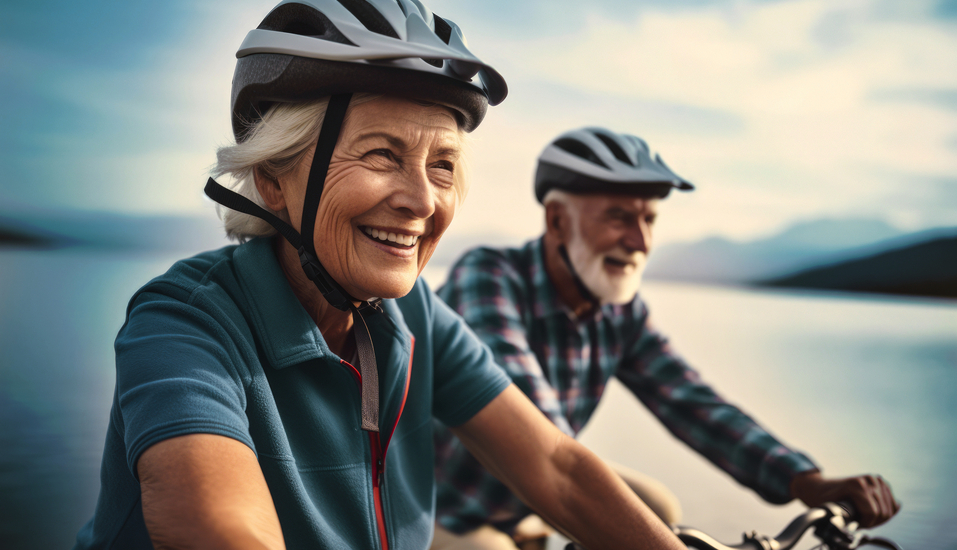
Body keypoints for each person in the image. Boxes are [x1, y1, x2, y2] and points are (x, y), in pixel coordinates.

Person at [72, 4, 690, 550]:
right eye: (381, 155)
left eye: (442, 165)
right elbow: (219, 529)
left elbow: (556, 467)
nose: (422, 200)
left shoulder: (414, 315)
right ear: (274, 179)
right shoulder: (185, 322)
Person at [431, 127, 901, 549]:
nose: (639, 242)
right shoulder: (489, 276)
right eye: (618, 217)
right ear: (557, 221)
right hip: (437, 501)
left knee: (661, 509)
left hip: (526, 498)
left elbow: (691, 402)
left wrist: (806, 481)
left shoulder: (620, 312)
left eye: (649, 220)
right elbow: (545, 445)